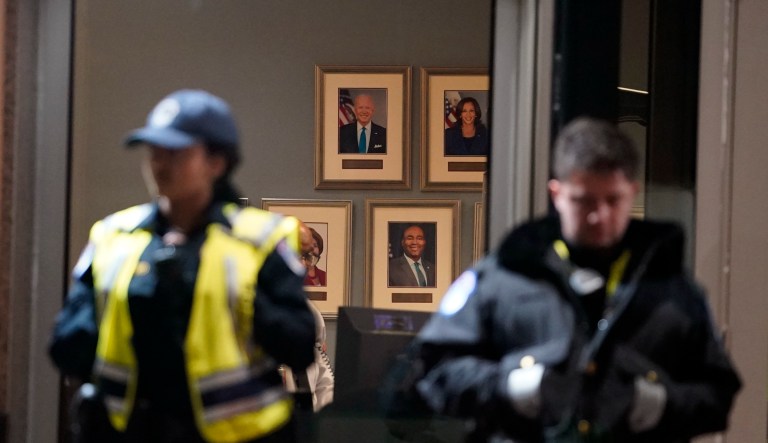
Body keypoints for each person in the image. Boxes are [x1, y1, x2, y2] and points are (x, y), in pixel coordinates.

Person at [410, 117, 741, 441]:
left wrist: (662, 404)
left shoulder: (673, 289)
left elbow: (717, 396)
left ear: (633, 192)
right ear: (557, 194)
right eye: (583, 201)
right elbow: (436, 373)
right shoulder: (502, 277)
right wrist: (509, 385)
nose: (600, 216)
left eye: (613, 200)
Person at [48, 89, 316, 443]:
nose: (160, 163)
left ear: (216, 163)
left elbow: (298, 345)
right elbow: (68, 346)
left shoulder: (257, 241)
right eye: (154, 152)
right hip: (129, 431)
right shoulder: (114, 237)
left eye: (176, 152)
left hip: (235, 434)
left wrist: (243, 304)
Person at [282, 223, 335, 412]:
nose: (304, 264)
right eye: (298, 255)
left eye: (308, 257)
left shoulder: (310, 313)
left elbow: (323, 379)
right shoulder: (256, 303)